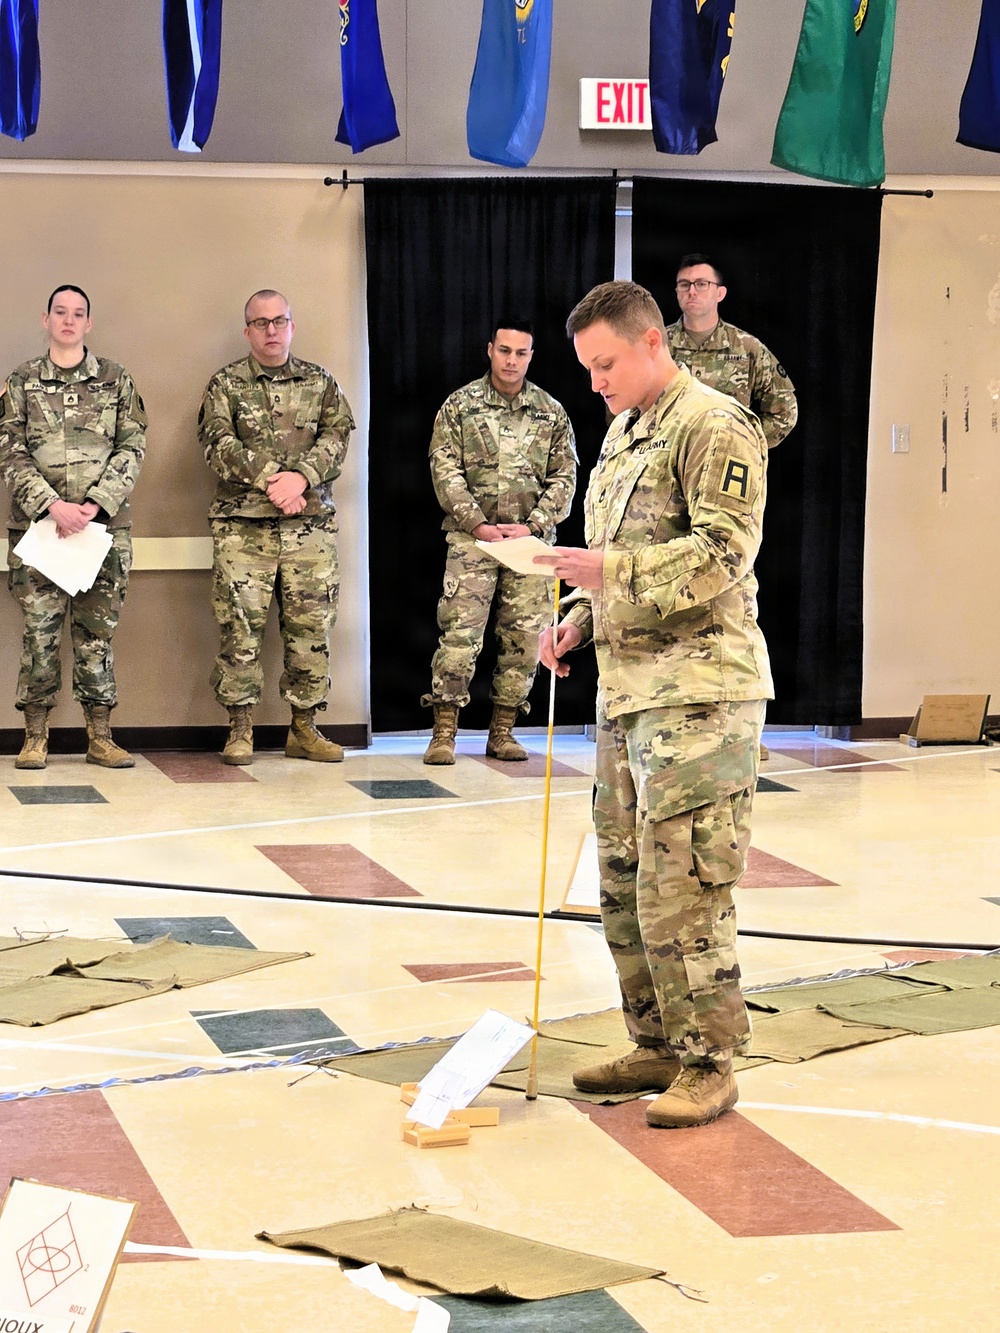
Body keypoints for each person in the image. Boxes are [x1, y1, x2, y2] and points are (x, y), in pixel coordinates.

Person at [537, 280, 773, 1129]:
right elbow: (609, 556)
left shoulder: (714, 424)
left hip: (703, 692)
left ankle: (711, 1062)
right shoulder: (623, 432)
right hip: (630, 690)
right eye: (588, 368)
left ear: (650, 345)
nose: (595, 381)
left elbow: (725, 552)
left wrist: (612, 578)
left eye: (605, 364)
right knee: (625, 882)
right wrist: (573, 620)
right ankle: (657, 1041)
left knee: (688, 887)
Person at [200, 290, 354, 765]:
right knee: (239, 630)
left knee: (311, 629)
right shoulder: (225, 384)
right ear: (247, 330)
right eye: (260, 322)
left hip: (309, 531)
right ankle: (240, 728)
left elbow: (338, 437)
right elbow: (216, 443)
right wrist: (275, 480)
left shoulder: (321, 382)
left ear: (292, 326)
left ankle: (304, 729)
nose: (271, 330)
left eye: (279, 321)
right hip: (243, 530)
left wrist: (302, 478)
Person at [0, 285, 147, 770]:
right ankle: (35, 738)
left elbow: (132, 446)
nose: (68, 320)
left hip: (100, 532)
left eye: (77, 313)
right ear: (45, 320)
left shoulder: (115, 379)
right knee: (39, 636)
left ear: (89, 323)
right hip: (38, 532)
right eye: (60, 312)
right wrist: (50, 505)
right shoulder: (21, 381)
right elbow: (11, 451)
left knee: (96, 637)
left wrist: (94, 505)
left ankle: (100, 737)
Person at [421, 319, 577, 765]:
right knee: (459, 635)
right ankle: (444, 731)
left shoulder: (551, 412)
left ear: (531, 356)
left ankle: (503, 730)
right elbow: (444, 468)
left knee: (525, 639)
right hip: (474, 542)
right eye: (504, 350)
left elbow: (566, 477)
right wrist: (477, 524)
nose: (512, 360)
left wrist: (533, 525)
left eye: (521, 353)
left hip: (530, 544)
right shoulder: (460, 406)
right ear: (490, 350)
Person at [666, 253, 797, 449]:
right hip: (666, 466)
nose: (692, 291)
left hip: (726, 464)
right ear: (677, 291)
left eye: (702, 284)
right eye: (684, 284)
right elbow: (625, 408)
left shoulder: (747, 347)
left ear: (720, 293)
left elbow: (784, 411)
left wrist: (744, 445)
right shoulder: (656, 346)